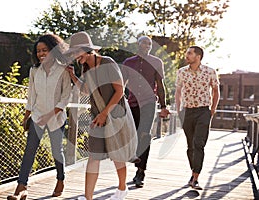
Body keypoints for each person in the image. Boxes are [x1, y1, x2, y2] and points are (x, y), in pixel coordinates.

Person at [65, 31, 132, 200]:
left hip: (115, 115)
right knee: (94, 156)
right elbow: (86, 90)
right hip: (98, 117)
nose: (74, 56)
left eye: (75, 52)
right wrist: (73, 75)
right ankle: (88, 198)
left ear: (87, 49)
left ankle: (122, 189)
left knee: (117, 156)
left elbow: (119, 91)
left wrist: (104, 113)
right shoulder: (85, 67)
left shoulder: (107, 62)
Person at [7, 34, 72, 199]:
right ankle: (21, 187)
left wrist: (50, 114)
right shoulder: (34, 70)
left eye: (45, 50)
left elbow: (65, 97)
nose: (41, 53)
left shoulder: (63, 70)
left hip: (56, 119)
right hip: (37, 117)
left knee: (57, 151)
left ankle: (60, 179)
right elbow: (31, 96)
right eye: (38, 51)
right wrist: (26, 116)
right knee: (29, 151)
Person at [121, 35, 170, 188]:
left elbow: (160, 85)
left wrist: (163, 106)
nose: (147, 45)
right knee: (134, 134)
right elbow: (121, 84)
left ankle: (140, 172)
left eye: (149, 43)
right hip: (132, 103)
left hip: (148, 103)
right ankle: (136, 156)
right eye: (144, 42)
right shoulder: (129, 63)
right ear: (138, 44)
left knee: (145, 134)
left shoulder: (156, 62)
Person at [175, 46, 220, 190]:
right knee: (190, 146)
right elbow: (178, 91)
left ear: (198, 56)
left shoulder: (210, 71)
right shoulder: (181, 72)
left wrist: (212, 109)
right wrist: (178, 109)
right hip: (187, 111)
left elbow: (215, 90)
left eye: (189, 53)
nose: (186, 55)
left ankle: (195, 178)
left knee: (198, 144)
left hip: (203, 112)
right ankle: (193, 172)